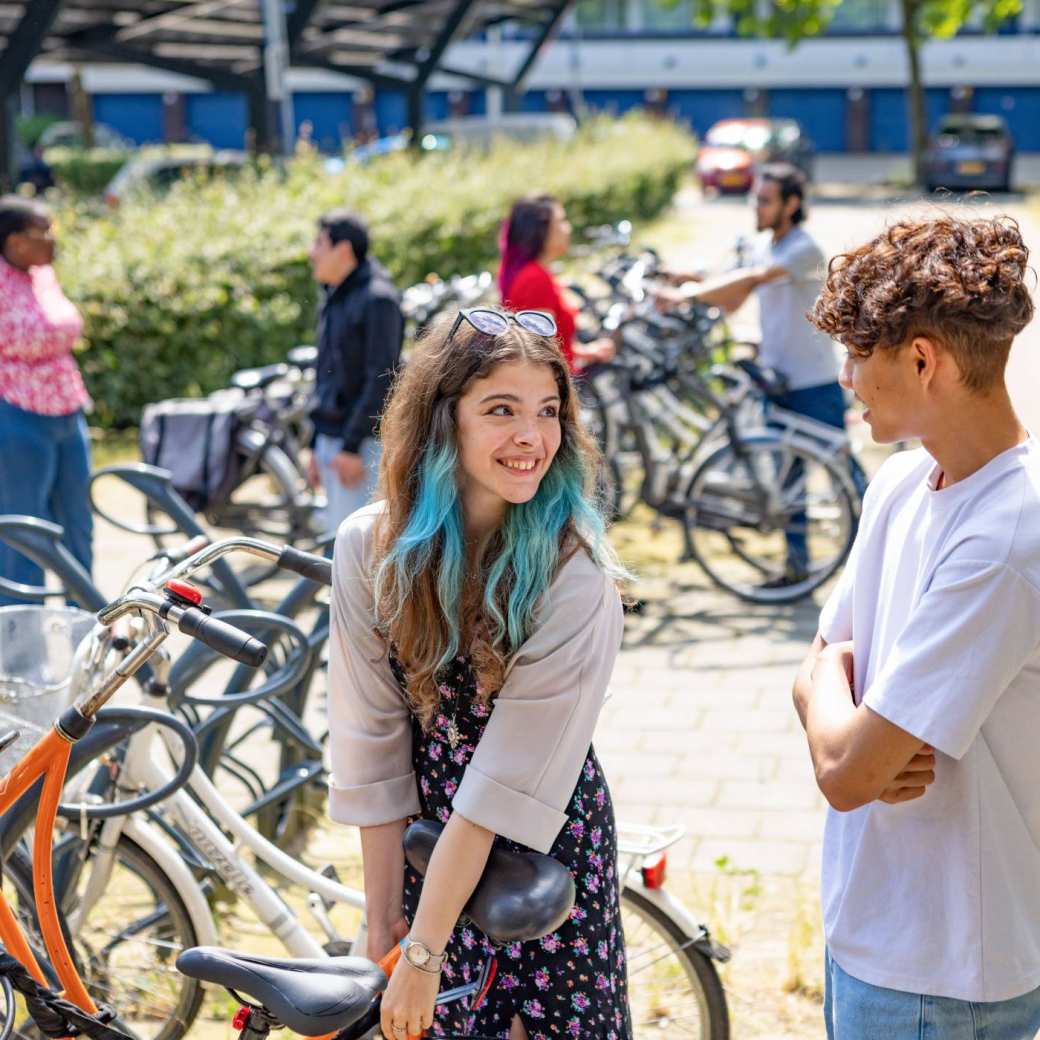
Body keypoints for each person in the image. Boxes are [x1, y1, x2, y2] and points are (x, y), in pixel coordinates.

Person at [327, 307, 632, 1040]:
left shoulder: (575, 574)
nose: (532, 436)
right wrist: (383, 922)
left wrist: (424, 952)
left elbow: (500, 792)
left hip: (535, 860)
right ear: (443, 421)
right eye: (501, 409)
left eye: (548, 411)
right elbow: (373, 743)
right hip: (423, 842)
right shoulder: (370, 547)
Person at [792, 215, 1040, 1039]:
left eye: (860, 355)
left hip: (946, 973)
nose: (850, 379)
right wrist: (837, 684)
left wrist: (847, 720)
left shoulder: (1009, 535)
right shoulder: (901, 485)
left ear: (923, 359)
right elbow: (820, 665)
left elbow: (848, 774)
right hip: (873, 928)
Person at [667, 163, 865, 584]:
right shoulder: (768, 245)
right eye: (755, 198)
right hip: (778, 379)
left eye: (765, 199)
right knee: (788, 478)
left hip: (812, 381)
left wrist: (686, 296)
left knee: (845, 474)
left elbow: (754, 279)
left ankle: (885, 558)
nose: (755, 206)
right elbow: (735, 290)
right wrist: (688, 279)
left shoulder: (802, 249)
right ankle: (796, 565)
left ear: (791, 204)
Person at [0, 195, 92, 604]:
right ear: (15, 242)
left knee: (77, 524)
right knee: (25, 530)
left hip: (66, 410)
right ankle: (23, 632)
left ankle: (86, 617)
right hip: (17, 413)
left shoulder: (42, 274)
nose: (52, 242)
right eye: (44, 233)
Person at [307, 209, 403, 535]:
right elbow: (325, 372)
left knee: (358, 548)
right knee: (337, 540)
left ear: (343, 249)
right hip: (334, 441)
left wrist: (350, 447)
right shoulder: (334, 294)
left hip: (360, 447)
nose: (312, 252)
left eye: (320, 243)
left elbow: (383, 379)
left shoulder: (378, 299)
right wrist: (314, 442)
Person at [499, 194, 616, 373]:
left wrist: (586, 352)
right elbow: (540, 353)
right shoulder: (534, 280)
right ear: (541, 231)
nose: (567, 228)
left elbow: (552, 341)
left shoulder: (536, 273)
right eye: (561, 221)